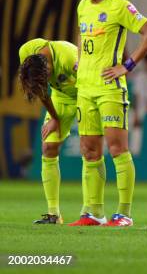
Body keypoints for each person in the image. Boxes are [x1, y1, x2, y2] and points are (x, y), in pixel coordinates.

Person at [69, 0, 147, 227]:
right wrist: (79, 63)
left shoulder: (120, 6)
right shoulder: (82, 6)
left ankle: (124, 213)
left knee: (118, 148)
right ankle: (93, 212)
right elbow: (82, 36)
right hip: (84, 88)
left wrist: (127, 65)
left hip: (110, 89)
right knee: (89, 151)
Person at [18, 38, 87, 224]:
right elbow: (41, 90)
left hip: (85, 95)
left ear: (49, 67)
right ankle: (54, 214)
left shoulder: (69, 57)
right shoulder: (26, 54)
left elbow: (90, 82)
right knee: (48, 146)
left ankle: (91, 212)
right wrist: (55, 118)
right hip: (62, 97)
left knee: (90, 148)